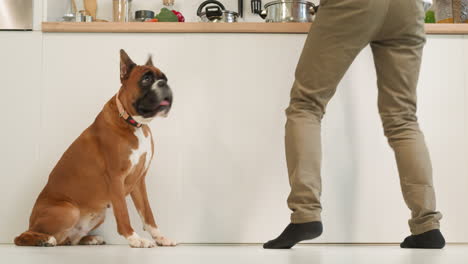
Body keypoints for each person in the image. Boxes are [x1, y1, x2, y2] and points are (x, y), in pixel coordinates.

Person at [263, 0, 445, 249]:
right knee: (402, 118)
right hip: (409, 6)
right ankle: (427, 225)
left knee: (306, 105)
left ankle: (305, 215)